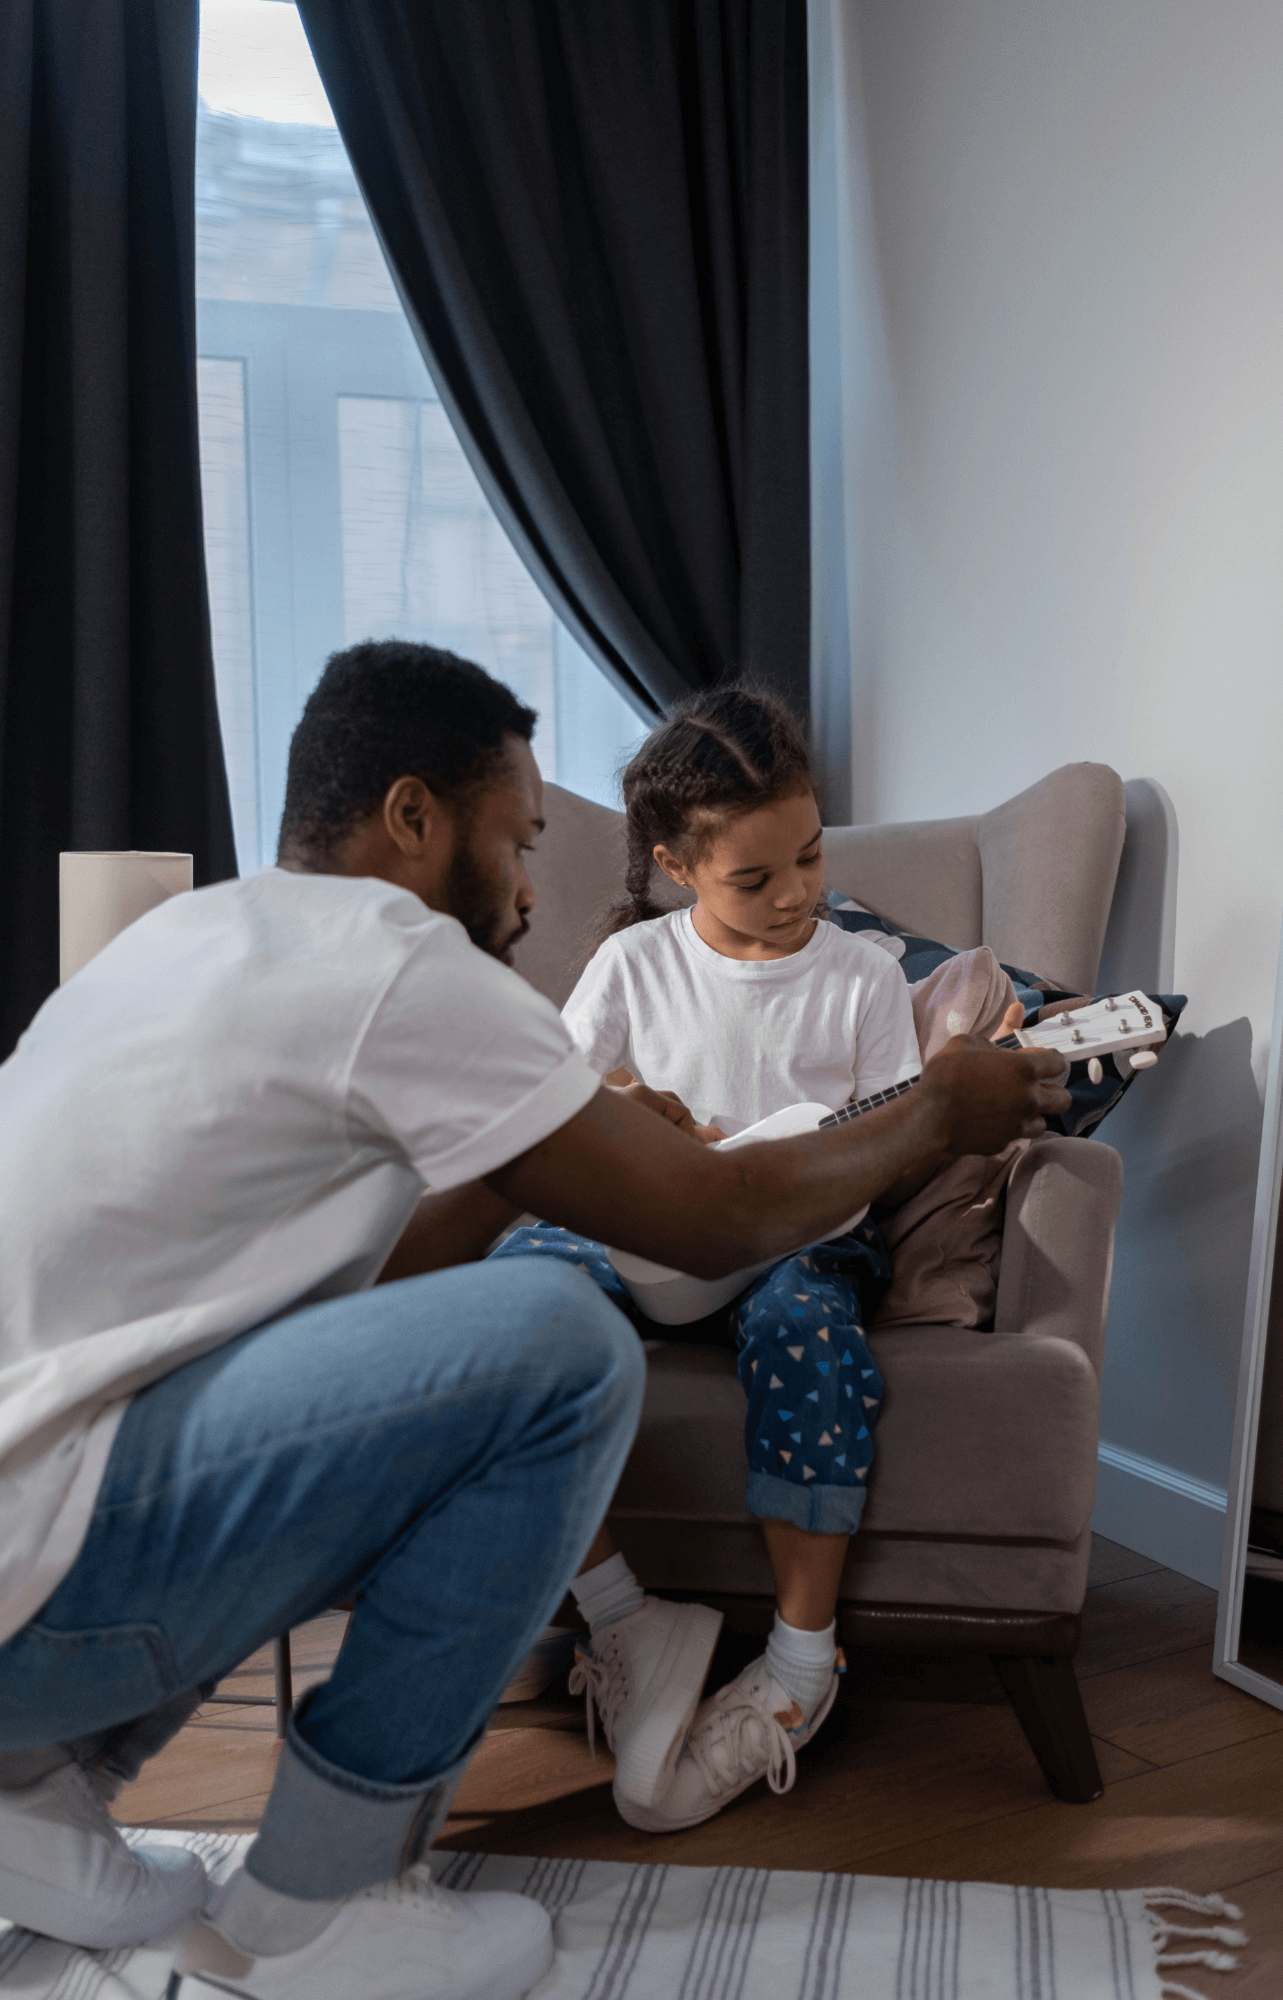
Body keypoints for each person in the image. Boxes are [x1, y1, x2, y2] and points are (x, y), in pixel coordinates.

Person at [0, 642, 1069, 2000]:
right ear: (414, 818)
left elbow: (368, 1296)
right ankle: (322, 1904)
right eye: (520, 840)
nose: (534, 890)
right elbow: (705, 1220)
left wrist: (557, 1153)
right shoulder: (400, 963)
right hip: (13, 1613)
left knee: (346, 1352)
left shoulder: (188, 941)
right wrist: (939, 1109)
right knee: (558, 1347)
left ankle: (7, 1788)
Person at [486, 684, 1020, 1835]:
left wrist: (794, 1164)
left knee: (805, 1326)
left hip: (798, 1242)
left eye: (809, 859)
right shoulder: (630, 965)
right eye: (755, 877)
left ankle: (798, 1663)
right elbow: (559, 1117)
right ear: (679, 865)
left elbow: (881, 1151)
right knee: (510, 1303)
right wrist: (636, 1119)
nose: (795, 896)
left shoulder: (863, 979)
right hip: (646, 1236)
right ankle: (623, 1615)